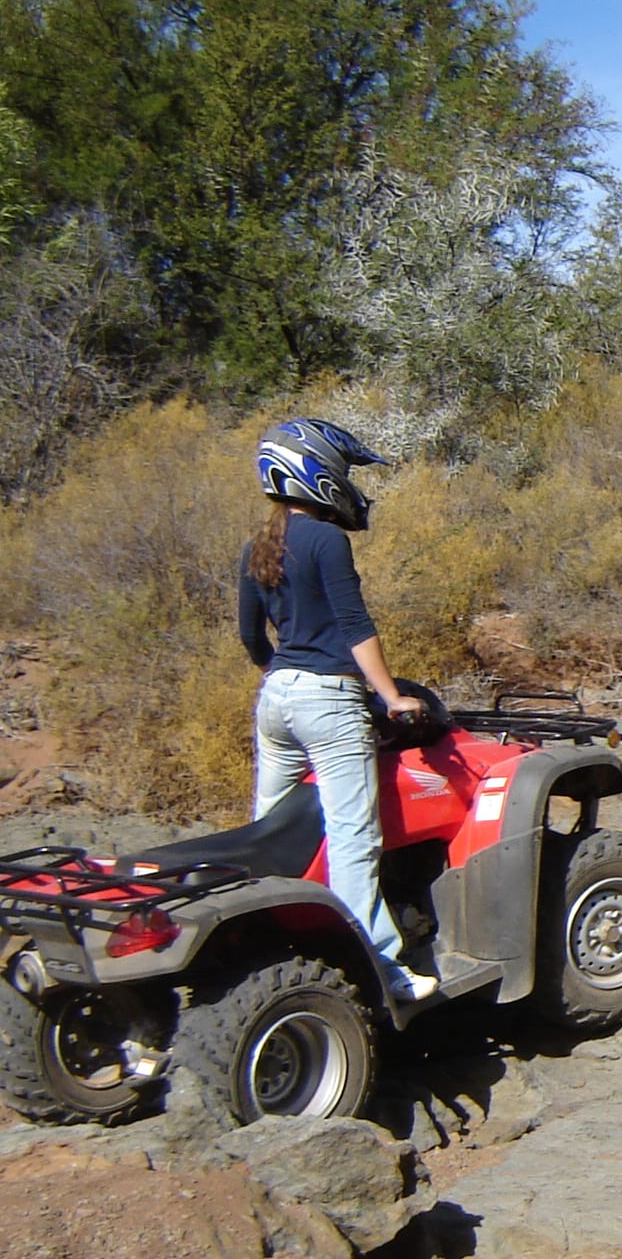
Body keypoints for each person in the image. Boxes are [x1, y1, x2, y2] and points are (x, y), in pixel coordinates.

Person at [237, 417, 433, 1001]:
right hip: (328, 701)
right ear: (316, 473)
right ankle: (384, 972)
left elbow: (251, 639)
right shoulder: (327, 541)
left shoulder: (257, 547)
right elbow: (355, 627)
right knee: (353, 838)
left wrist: (286, 669)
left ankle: (268, 950)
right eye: (341, 470)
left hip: (275, 700)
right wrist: (391, 695)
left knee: (271, 836)